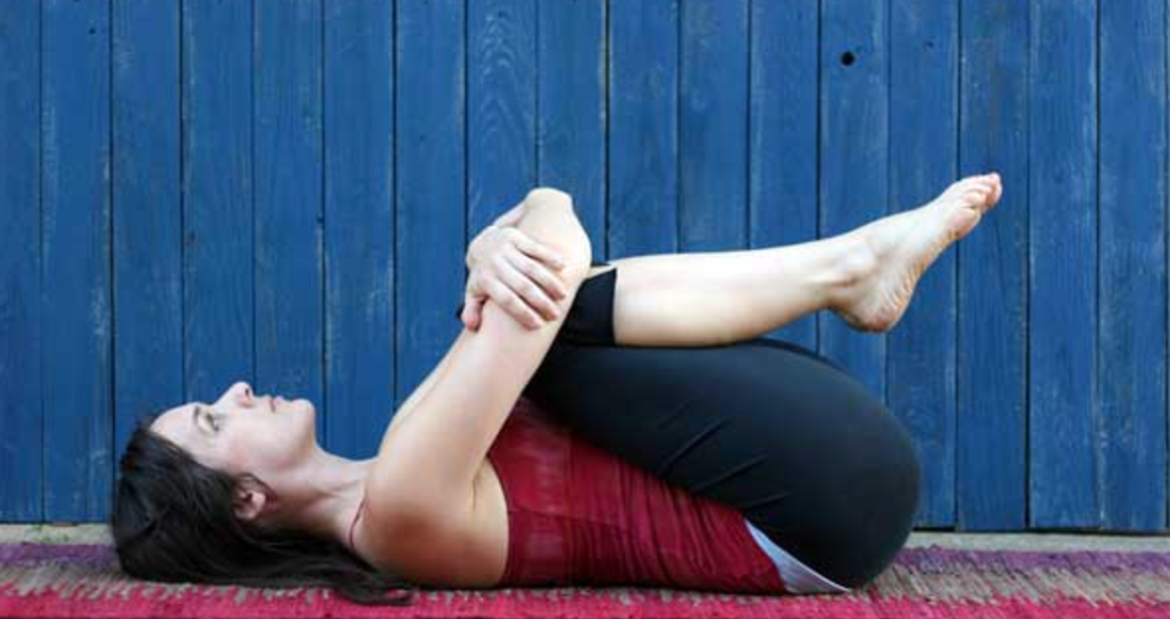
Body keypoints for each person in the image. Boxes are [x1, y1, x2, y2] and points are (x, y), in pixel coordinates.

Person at [111, 174, 1003, 605]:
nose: (234, 390)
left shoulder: (399, 459)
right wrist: (506, 233)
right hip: (818, 507)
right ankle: (851, 267)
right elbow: (559, 249)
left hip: (816, 468)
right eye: (214, 419)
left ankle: (854, 270)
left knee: (544, 318)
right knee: (559, 323)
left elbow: (540, 264)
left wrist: (500, 248)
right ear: (249, 500)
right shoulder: (400, 508)